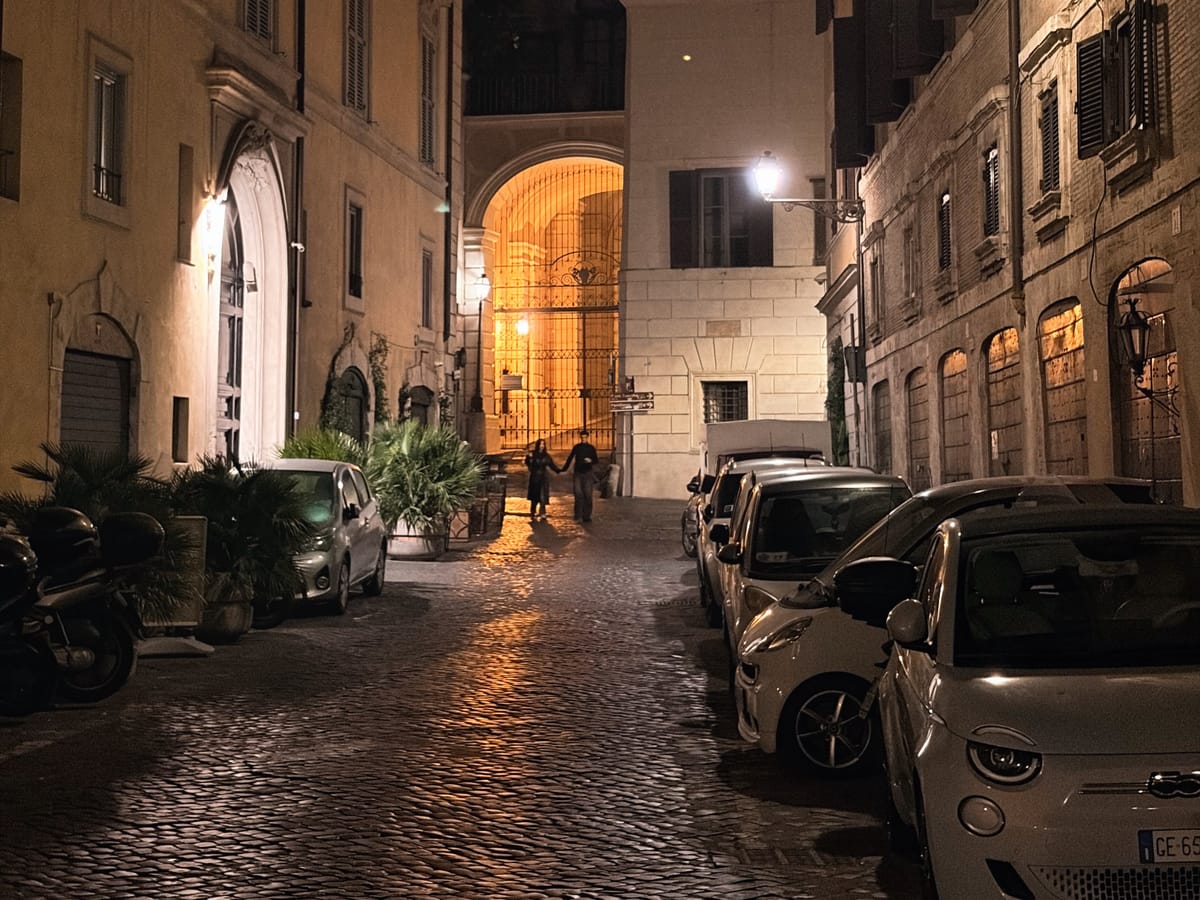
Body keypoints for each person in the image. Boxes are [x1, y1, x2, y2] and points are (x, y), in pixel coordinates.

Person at [562, 428, 600, 523]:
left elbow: (596, 460)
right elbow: (570, 458)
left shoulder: (591, 448)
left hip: (587, 473)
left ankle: (587, 516)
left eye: (585, 438)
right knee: (578, 494)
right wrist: (563, 469)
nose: (583, 439)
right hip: (578, 473)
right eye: (582, 438)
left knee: (588, 495)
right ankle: (578, 515)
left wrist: (590, 461)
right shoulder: (577, 447)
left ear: (587, 438)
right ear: (580, 438)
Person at [524, 437, 560, 521]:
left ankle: (542, 512)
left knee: (543, 495)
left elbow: (551, 465)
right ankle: (533, 511)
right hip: (535, 477)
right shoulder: (533, 454)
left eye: (543, 444)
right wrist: (529, 458)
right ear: (538, 445)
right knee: (535, 496)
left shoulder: (546, 455)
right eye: (540, 444)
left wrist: (559, 470)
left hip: (543, 477)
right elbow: (528, 463)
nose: (542, 446)